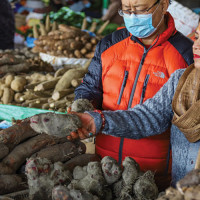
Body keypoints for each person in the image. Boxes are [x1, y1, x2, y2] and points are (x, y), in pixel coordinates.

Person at [73, 0, 194, 190]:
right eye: (127, 10)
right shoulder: (109, 44)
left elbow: (159, 118)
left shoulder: (186, 53)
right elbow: (89, 87)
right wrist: (82, 107)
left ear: (163, 5)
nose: (132, 16)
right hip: (106, 165)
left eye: (139, 10)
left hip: (156, 175)